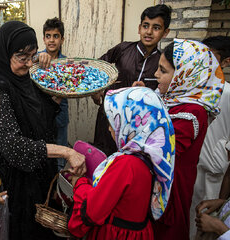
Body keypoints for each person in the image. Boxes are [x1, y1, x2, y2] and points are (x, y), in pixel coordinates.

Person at [0, 21, 86, 240]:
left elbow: (41, 119)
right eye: (22, 57)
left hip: (37, 178)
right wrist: (65, 151)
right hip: (18, 186)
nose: (29, 63)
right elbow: (13, 146)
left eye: (32, 56)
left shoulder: (24, 81)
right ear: (5, 52)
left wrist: (57, 93)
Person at [68, 87, 175, 240]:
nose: (110, 127)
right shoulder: (152, 157)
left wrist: (79, 183)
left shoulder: (126, 164)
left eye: (115, 121)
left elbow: (92, 211)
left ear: (131, 123)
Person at [152, 39, 225, 240]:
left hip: (171, 188)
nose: (156, 75)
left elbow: (160, 152)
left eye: (163, 71)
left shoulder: (193, 111)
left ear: (186, 76)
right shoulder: (174, 99)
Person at [92, 4, 171, 156]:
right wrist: (96, 91)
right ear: (139, 28)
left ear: (165, 32)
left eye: (156, 28)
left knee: (128, 165)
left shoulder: (162, 63)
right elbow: (97, 67)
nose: (149, 32)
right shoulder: (123, 49)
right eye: (146, 26)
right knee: (101, 156)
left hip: (140, 127)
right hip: (109, 117)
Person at [190, 36, 230, 239]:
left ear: (225, 62)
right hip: (192, 168)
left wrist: (223, 198)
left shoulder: (229, 94)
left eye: (211, 56)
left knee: (205, 224)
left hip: (214, 174)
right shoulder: (194, 88)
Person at [39, 17, 69, 170]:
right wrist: (37, 58)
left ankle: (58, 188)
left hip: (60, 117)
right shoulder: (37, 59)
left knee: (60, 157)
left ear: (62, 39)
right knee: (43, 152)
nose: (52, 40)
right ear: (43, 38)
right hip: (40, 115)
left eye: (56, 36)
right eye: (48, 36)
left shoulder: (67, 63)